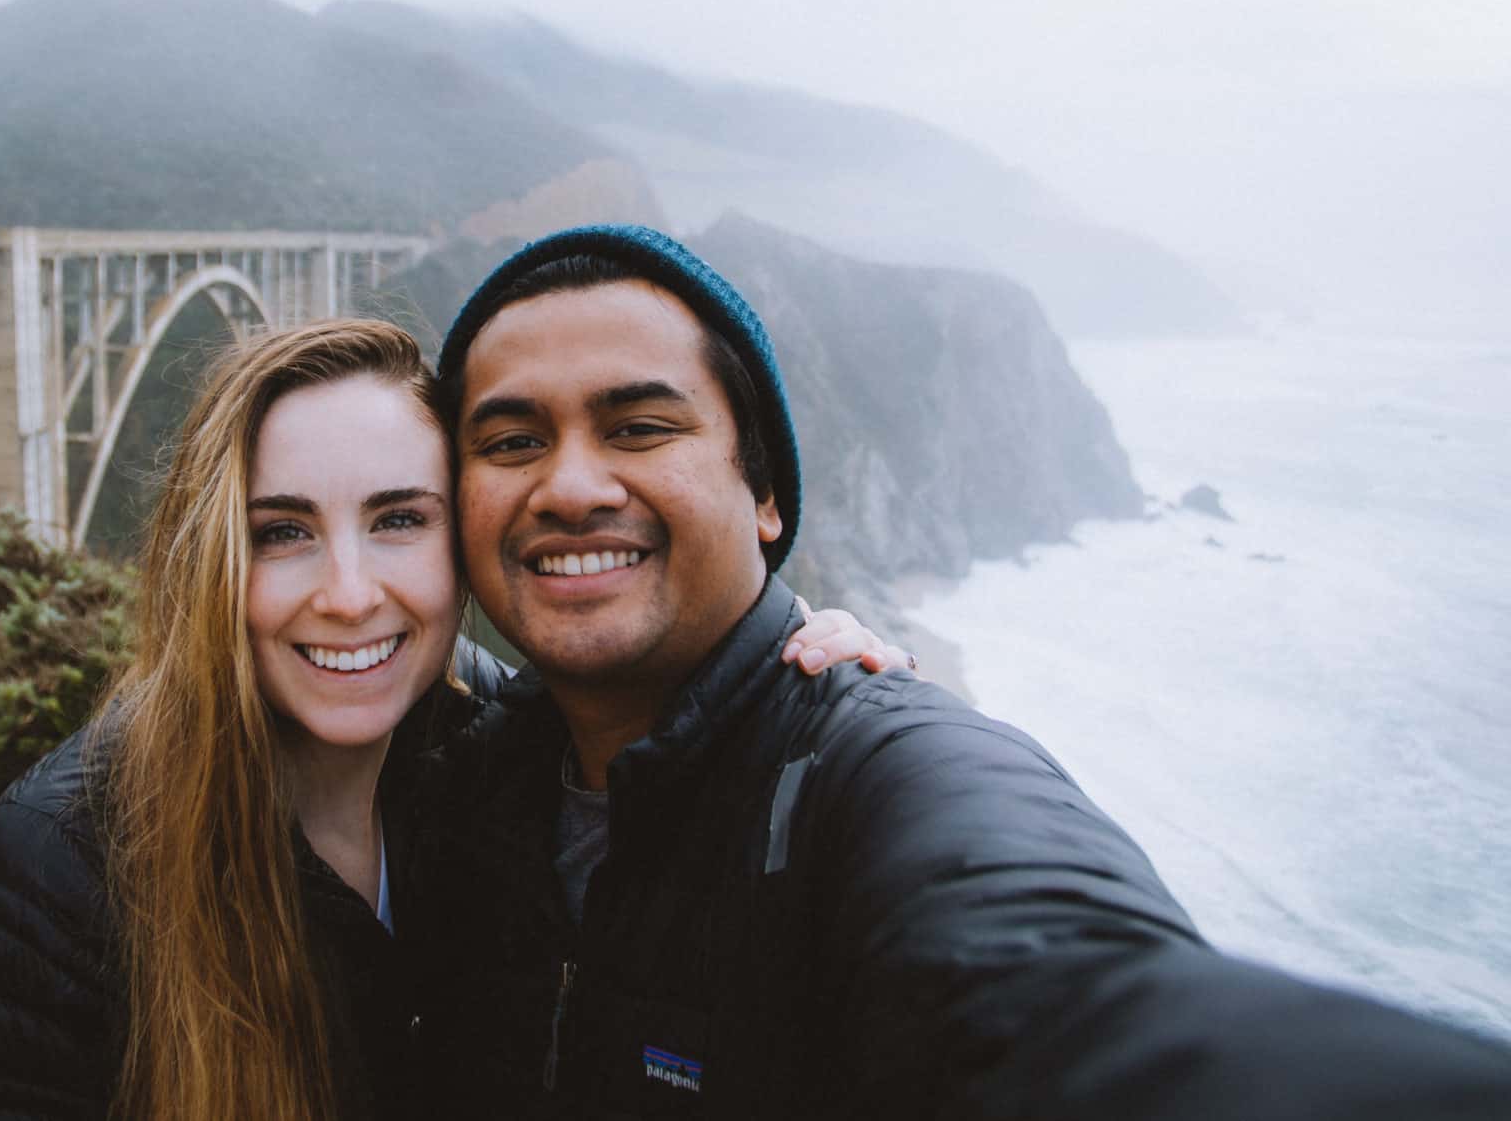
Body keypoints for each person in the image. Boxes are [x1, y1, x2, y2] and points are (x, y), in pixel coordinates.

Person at [405, 223, 1511, 1120]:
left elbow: (1062, 983)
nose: (568, 487)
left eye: (641, 427)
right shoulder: (446, 755)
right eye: (508, 444)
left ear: (765, 494)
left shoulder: (877, 772)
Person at [0, 317, 904, 1120]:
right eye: (280, 533)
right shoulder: (61, 881)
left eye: (399, 519)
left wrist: (787, 676)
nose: (350, 593)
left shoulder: (503, 754)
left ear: (466, 536)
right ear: (206, 562)